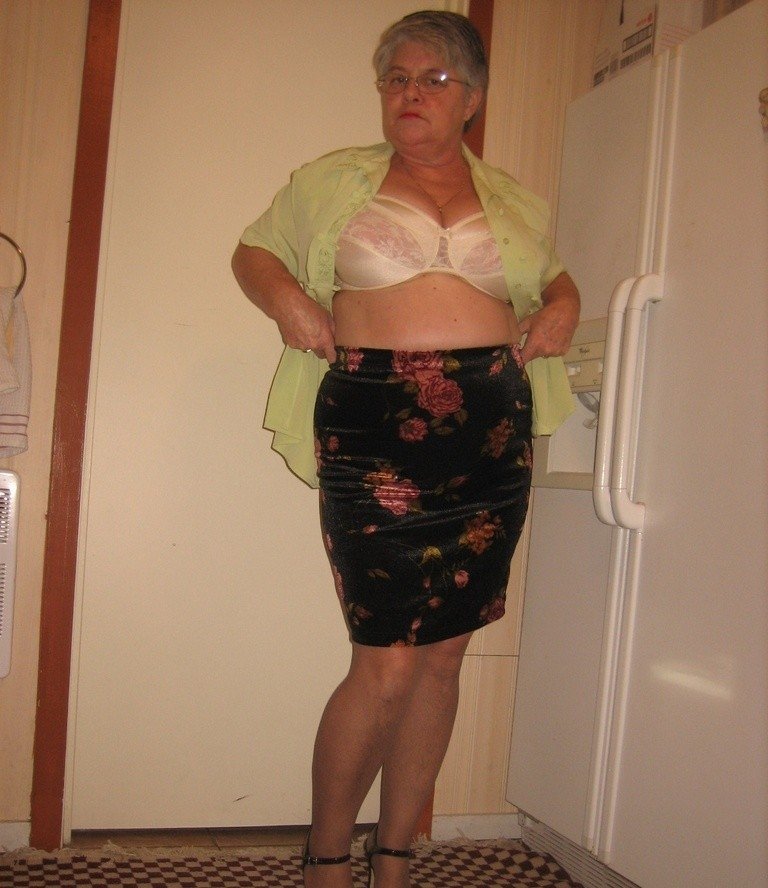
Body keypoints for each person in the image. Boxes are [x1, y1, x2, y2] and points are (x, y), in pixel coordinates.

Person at [231, 11, 579, 888]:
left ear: (473, 98)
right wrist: (288, 302)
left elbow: (551, 277)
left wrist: (565, 304)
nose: (409, 94)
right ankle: (326, 858)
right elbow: (255, 252)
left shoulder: (514, 201)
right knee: (384, 662)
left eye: (432, 79)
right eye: (396, 79)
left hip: (489, 434)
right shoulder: (335, 180)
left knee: (444, 657)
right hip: (375, 427)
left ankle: (393, 859)